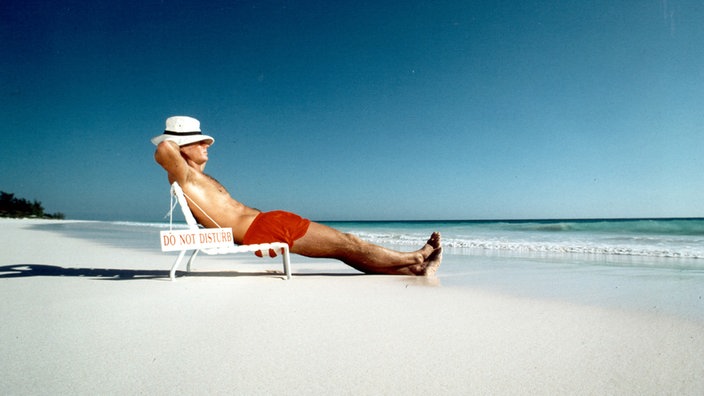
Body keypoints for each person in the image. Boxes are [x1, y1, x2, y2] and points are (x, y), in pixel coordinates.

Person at [152, 116, 441, 276]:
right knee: (348, 243)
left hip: (264, 222)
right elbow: (164, 150)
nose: (206, 145)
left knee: (344, 250)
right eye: (198, 142)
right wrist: (178, 140)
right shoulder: (184, 175)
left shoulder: (196, 176)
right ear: (182, 145)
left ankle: (412, 269)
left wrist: (191, 149)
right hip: (261, 229)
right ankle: (415, 256)